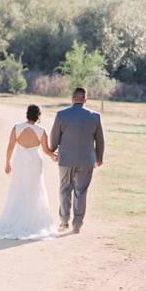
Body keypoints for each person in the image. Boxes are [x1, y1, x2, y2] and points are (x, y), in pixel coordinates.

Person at [0, 103, 59, 240]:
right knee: (34, 189)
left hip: (19, 160)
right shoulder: (41, 130)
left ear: (27, 114)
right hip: (35, 161)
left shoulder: (17, 128)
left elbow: (10, 147)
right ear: (39, 116)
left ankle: (15, 219)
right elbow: (46, 151)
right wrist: (55, 156)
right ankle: (31, 221)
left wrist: (7, 163)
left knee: (18, 188)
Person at [49, 87, 104, 234]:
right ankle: (77, 224)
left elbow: (54, 137)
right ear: (85, 100)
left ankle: (64, 221)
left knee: (64, 188)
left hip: (66, 159)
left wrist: (53, 152)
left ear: (72, 99)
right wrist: (99, 157)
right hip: (86, 160)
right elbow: (100, 140)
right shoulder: (95, 116)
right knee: (81, 192)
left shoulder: (61, 115)